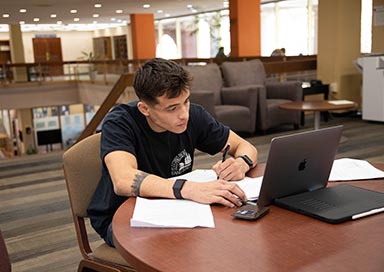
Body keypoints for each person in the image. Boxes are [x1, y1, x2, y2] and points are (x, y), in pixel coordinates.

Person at [87, 58, 258, 247]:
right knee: (185, 248)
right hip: (122, 217)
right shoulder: (120, 122)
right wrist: (190, 189)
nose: (184, 113)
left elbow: (245, 146)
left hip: (178, 207)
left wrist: (241, 163)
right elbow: (123, 181)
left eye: (186, 101)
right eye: (172, 108)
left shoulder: (193, 115)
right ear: (145, 109)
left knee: (228, 233)